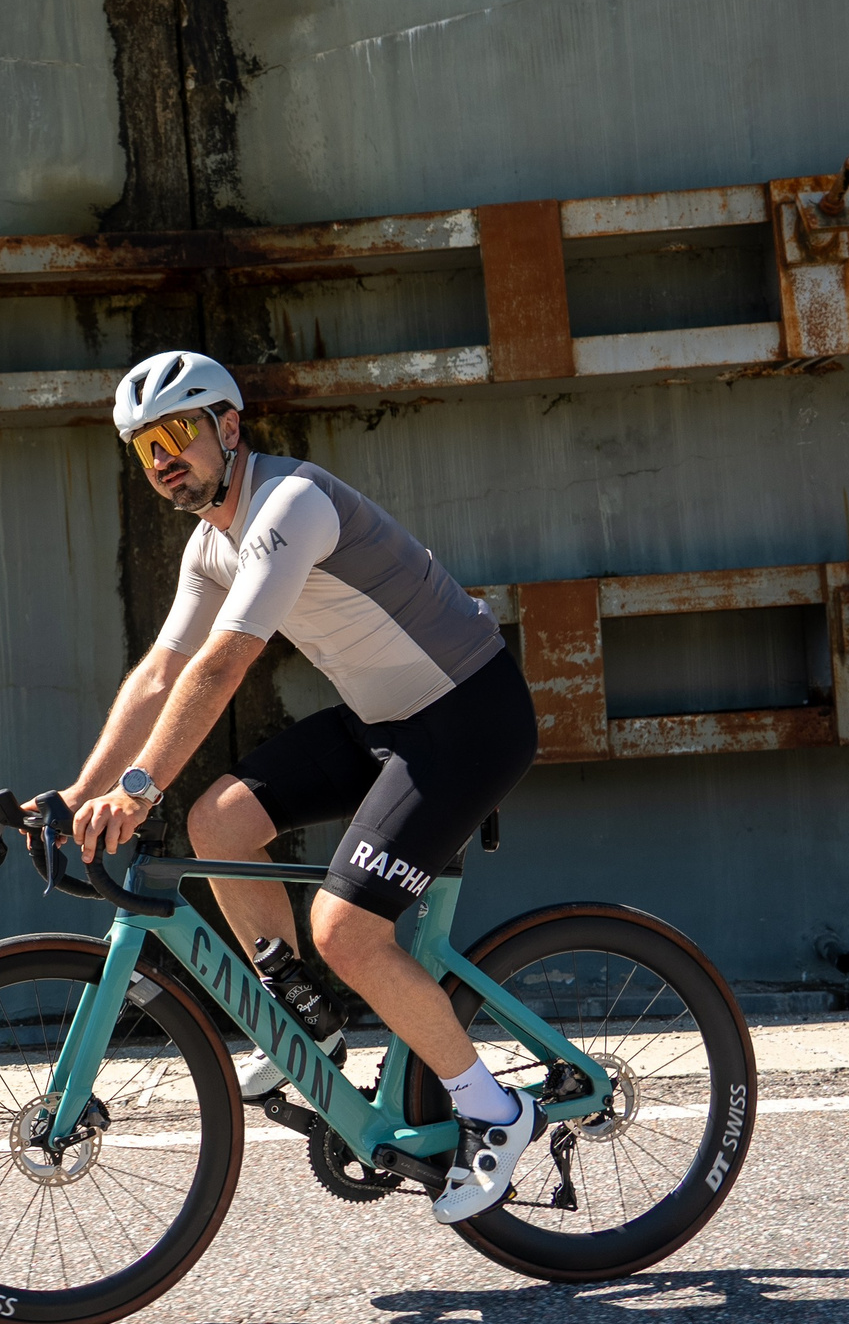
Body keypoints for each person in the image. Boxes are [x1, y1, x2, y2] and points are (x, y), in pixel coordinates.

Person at [44, 350, 542, 1223]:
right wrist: (76, 791)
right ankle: (303, 1014)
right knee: (220, 820)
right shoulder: (211, 545)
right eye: (144, 446)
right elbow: (162, 670)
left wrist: (137, 785)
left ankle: (493, 1110)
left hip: (469, 717)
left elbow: (226, 662)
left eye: (176, 434)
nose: (163, 457)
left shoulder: (291, 504)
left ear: (228, 428)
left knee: (347, 928)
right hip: (384, 720)